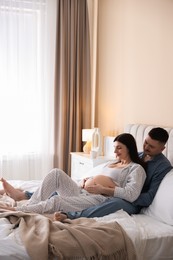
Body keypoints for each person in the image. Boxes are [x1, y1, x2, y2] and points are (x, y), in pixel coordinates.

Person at [0, 133, 146, 214]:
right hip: (82, 191)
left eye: (119, 148)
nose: (114, 152)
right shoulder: (111, 163)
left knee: (57, 201)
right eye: (114, 148)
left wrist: (102, 189)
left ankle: (18, 209)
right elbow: (98, 176)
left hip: (98, 198)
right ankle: (29, 203)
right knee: (56, 173)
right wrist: (86, 180)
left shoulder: (135, 169)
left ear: (129, 148)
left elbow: (131, 194)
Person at [52, 127, 173, 222]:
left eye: (151, 146)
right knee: (68, 186)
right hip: (116, 191)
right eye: (145, 142)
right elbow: (117, 171)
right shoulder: (138, 155)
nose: (146, 147)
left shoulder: (163, 166)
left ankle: (71, 215)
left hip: (132, 201)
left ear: (162, 148)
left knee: (114, 203)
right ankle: (46, 198)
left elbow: (148, 197)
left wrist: (122, 194)